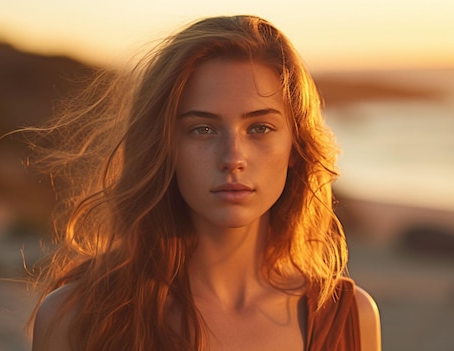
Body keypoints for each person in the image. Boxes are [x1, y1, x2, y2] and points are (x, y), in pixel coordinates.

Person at [29, 15, 381, 351]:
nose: (232, 157)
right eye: (202, 129)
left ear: (295, 147)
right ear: (165, 146)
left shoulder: (350, 318)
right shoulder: (76, 315)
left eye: (259, 128)